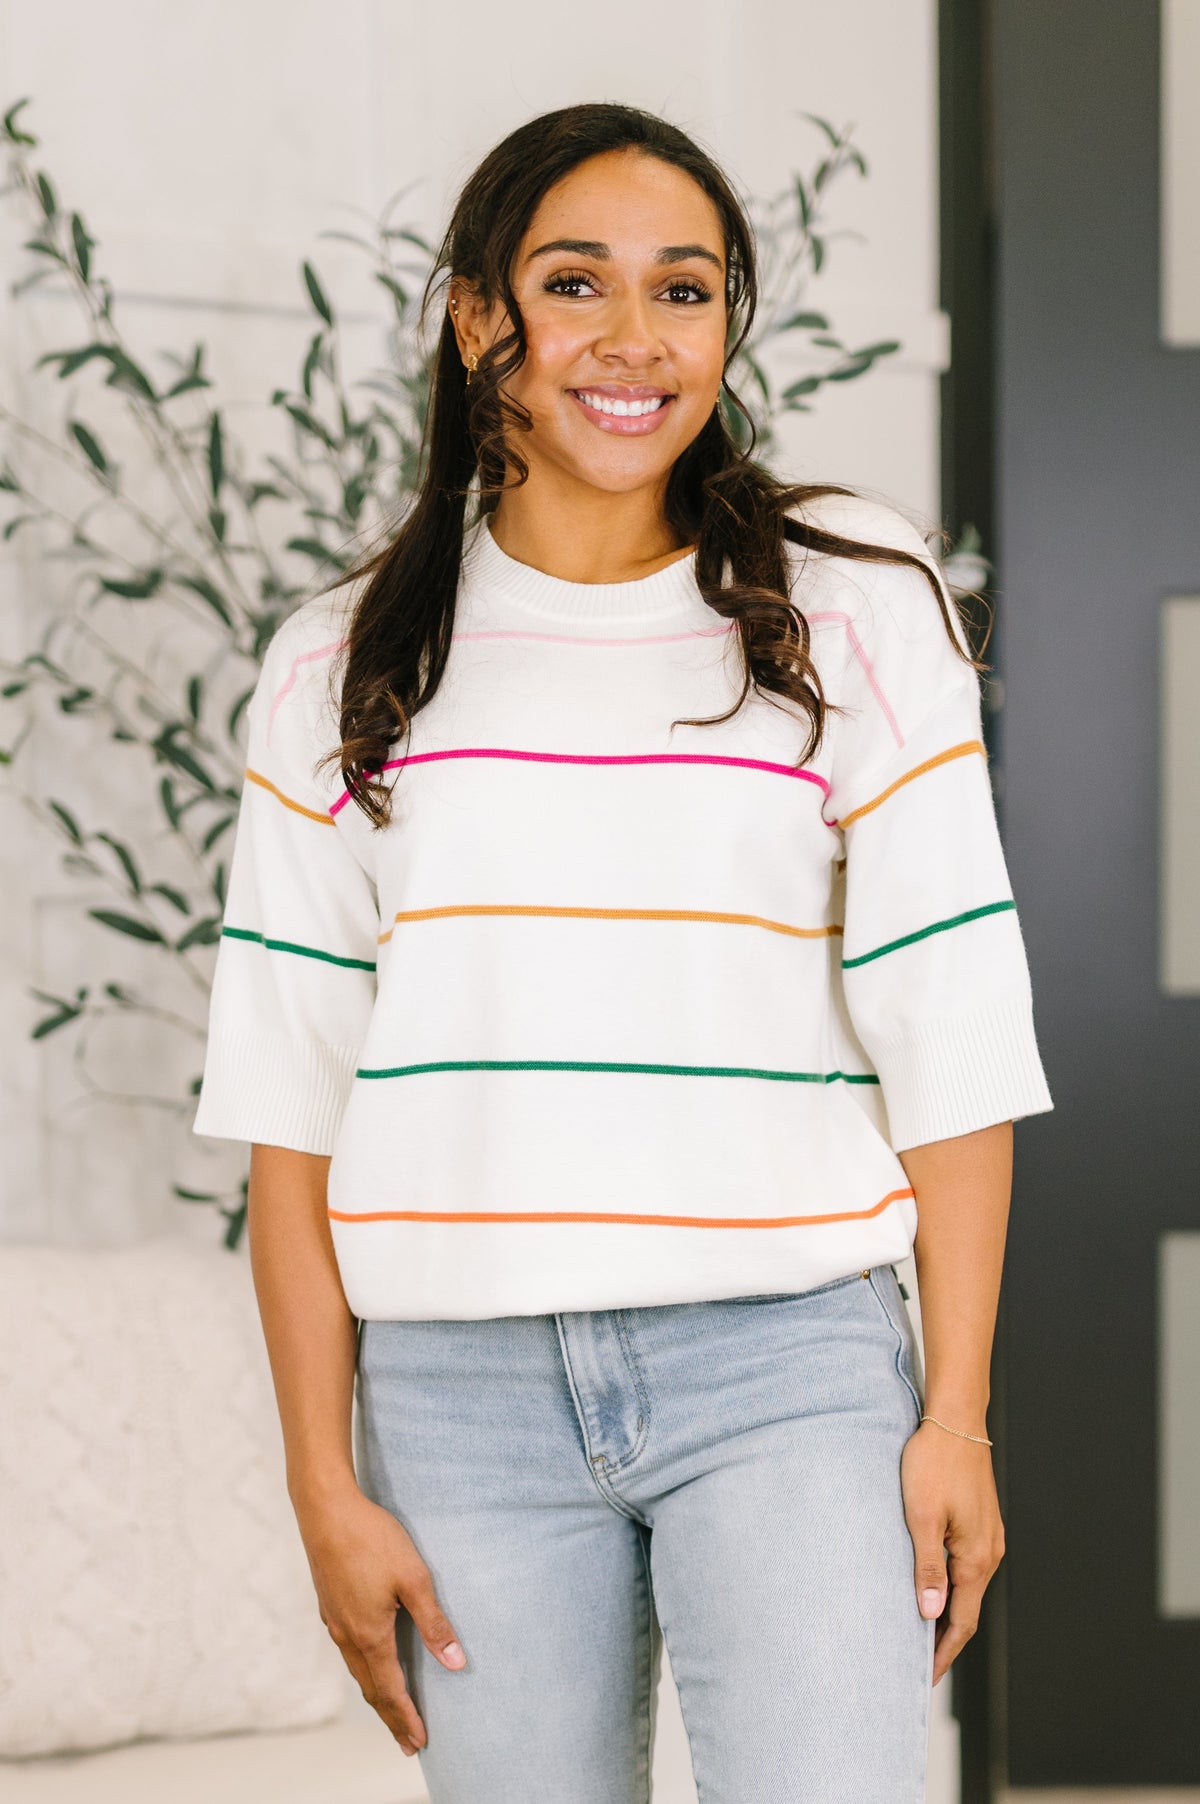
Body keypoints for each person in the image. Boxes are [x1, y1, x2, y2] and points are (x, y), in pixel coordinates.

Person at [192, 101, 1053, 1804]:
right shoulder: (337, 668)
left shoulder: (858, 614)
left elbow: (951, 1032)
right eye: (574, 284)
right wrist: (321, 1481)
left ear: (731, 324)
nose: (632, 340)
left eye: (686, 289)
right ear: (475, 320)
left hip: (789, 1364)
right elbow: (287, 1107)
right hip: (458, 1396)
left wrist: (952, 1414)